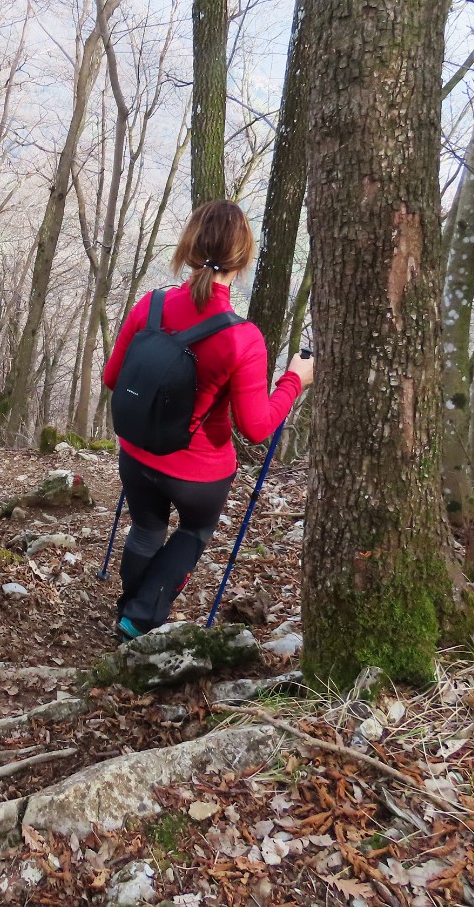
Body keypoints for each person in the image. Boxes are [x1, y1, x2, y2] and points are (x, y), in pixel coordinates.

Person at [102, 199, 313, 639]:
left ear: (190, 246)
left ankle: (131, 609)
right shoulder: (242, 338)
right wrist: (294, 380)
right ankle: (138, 619)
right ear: (242, 258)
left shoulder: (151, 306)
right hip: (199, 472)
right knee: (194, 531)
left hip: (137, 452)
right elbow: (255, 428)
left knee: (146, 528)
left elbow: (111, 378)